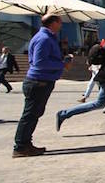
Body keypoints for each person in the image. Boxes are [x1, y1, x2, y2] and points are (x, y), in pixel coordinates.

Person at [13, 14, 67, 157]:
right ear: (53, 23)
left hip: (41, 81)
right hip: (39, 82)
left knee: (33, 114)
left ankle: (25, 144)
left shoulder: (46, 37)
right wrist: (61, 64)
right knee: (30, 115)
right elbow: (40, 63)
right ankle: (20, 146)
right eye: (60, 22)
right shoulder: (43, 39)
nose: (61, 25)